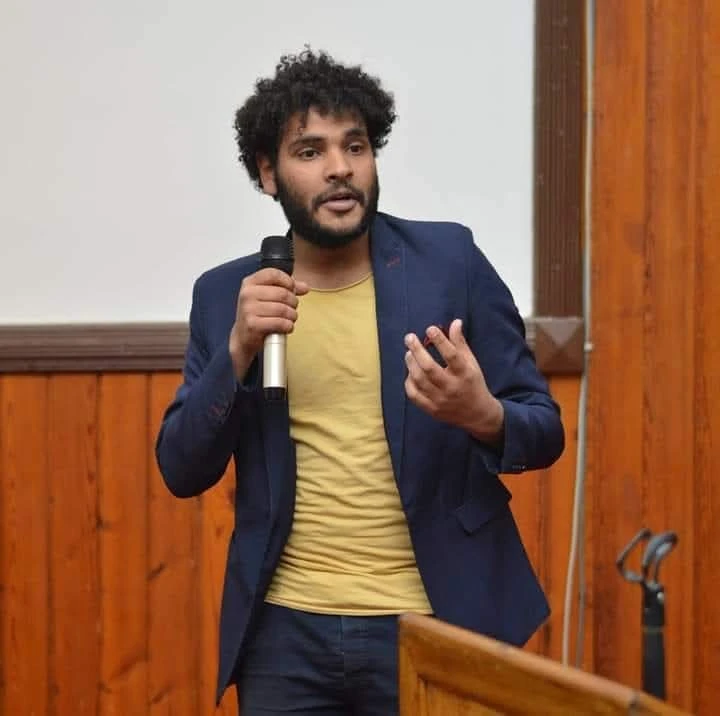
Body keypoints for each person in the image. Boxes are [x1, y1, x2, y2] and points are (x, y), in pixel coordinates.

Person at [155, 48, 565, 715]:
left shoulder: (450, 262)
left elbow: (543, 430)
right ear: (268, 173)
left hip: (434, 617)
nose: (340, 167)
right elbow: (181, 468)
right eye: (309, 151)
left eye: (356, 146)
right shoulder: (227, 295)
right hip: (284, 633)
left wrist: (482, 414)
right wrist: (237, 350)